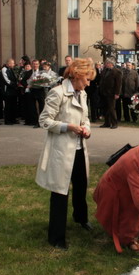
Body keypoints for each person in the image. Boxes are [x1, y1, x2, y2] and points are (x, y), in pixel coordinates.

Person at [36, 58, 94, 250]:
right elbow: (44, 121)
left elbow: (85, 119)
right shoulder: (57, 92)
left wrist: (86, 129)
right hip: (62, 151)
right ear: (76, 75)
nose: (88, 82)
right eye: (87, 78)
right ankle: (56, 237)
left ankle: (81, 219)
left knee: (81, 186)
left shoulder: (83, 93)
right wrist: (67, 127)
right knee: (60, 193)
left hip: (79, 149)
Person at [99, 58, 122, 129]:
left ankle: (114, 123)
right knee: (105, 108)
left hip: (112, 93)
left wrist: (117, 93)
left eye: (107, 63)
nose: (105, 64)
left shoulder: (117, 71)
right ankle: (107, 123)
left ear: (111, 64)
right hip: (104, 92)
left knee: (111, 108)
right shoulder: (104, 70)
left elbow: (118, 84)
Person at [1, 58, 20, 125]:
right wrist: (15, 85)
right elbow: (7, 80)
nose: (14, 64)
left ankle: (13, 119)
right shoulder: (4, 69)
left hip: (13, 91)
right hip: (8, 91)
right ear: (9, 63)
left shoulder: (11, 69)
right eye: (12, 63)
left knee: (13, 105)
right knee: (8, 106)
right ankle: (8, 120)